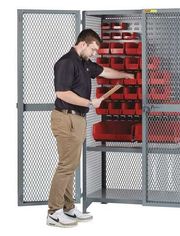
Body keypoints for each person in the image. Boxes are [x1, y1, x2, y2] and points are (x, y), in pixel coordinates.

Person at [47, 29, 134, 227]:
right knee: (66, 166)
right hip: (66, 118)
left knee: (70, 164)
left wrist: (126, 75)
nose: (94, 54)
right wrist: (89, 102)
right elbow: (62, 93)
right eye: (93, 49)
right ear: (83, 44)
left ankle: (68, 208)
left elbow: (104, 71)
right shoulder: (67, 62)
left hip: (77, 119)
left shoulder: (84, 64)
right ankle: (53, 212)